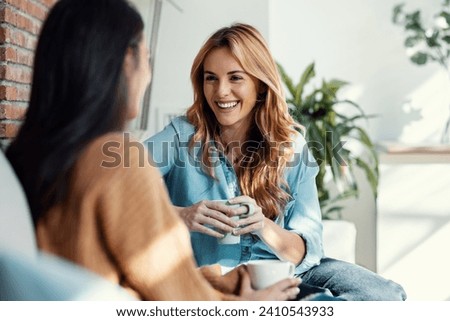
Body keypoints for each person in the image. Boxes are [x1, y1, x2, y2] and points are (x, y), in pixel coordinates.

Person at [5, 0, 301, 301]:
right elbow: (180, 298)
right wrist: (251, 306)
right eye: (147, 58)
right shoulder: (120, 160)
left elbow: (133, 273)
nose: (148, 73)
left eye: (235, 77)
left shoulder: (29, 157)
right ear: (124, 62)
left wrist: (226, 279)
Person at [145, 23, 407, 301]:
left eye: (235, 78)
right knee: (320, 304)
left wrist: (262, 226)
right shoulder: (181, 134)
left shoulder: (291, 146)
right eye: (211, 78)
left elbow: (305, 251)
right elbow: (116, 188)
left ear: (259, 83)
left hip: (280, 273)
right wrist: (181, 215)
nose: (221, 91)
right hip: (215, 278)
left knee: (384, 294)